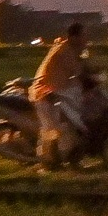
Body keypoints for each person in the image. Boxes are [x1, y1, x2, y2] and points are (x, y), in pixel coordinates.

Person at [29, 22, 88, 167]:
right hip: (45, 94)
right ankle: (47, 163)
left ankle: (66, 159)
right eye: (83, 35)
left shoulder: (73, 49)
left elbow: (83, 66)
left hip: (57, 92)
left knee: (69, 126)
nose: (86, 38)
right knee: (53, 129)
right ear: (74, 37)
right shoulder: (65, 50)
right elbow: (78, 70)